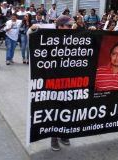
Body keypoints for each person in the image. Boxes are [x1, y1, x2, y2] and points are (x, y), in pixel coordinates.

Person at [50, 14, 74, 151]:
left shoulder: (74, 39)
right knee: (54, 109)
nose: (71, 28)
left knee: (67, 108)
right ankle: (53, 138)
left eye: (72, 26)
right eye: (68, 26)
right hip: (54, 81)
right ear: (59, 26)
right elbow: (33, 38)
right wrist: (32, 30)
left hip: (70, 81)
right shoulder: (49, 38)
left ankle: (64, 133)